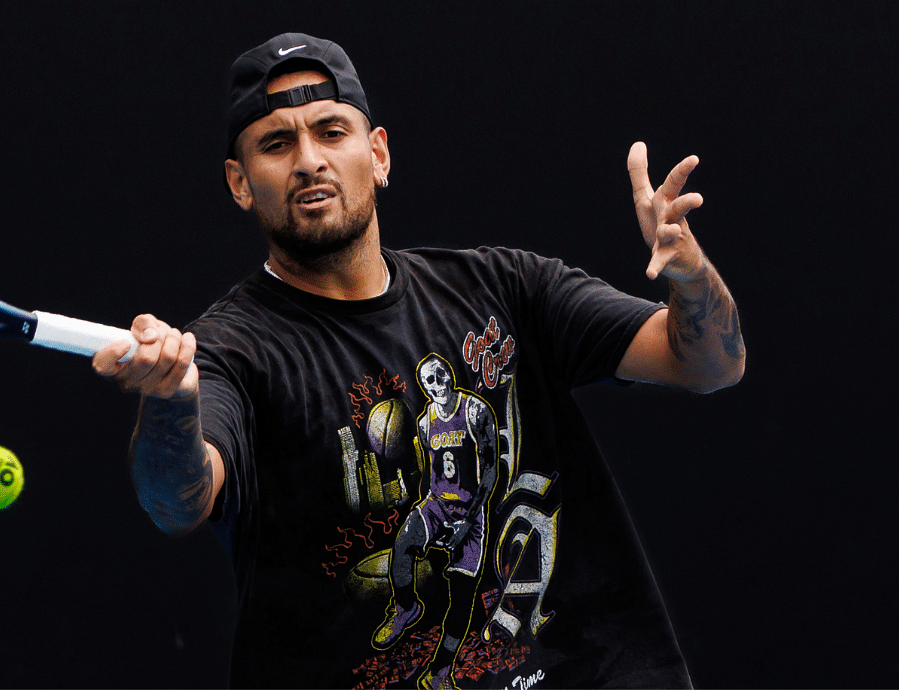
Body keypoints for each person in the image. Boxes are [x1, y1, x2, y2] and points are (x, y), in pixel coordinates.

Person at [93, 33, 744, 689]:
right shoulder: (232, 352)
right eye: (276, 143)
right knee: (408, 560)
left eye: (330, 131)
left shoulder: (509, 286)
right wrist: (172, 399)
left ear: (377, 154)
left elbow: (711, 366)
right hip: (422, 537)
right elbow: (175, 502)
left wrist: (690, 276)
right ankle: (407, 612)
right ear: (240, 182)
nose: (309, 161)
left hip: (588, 670)